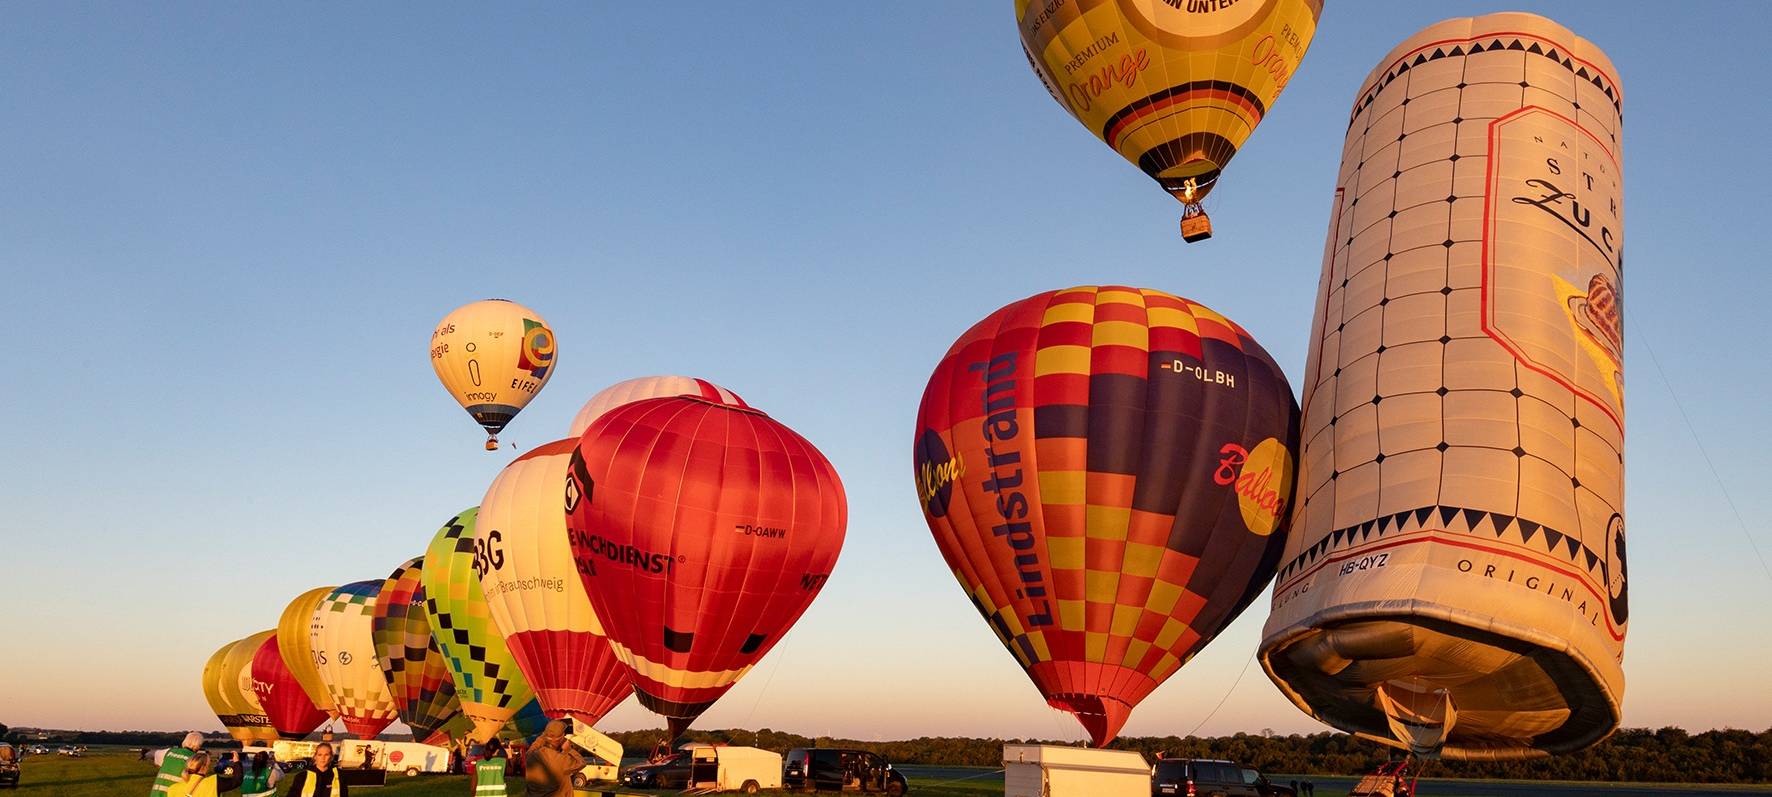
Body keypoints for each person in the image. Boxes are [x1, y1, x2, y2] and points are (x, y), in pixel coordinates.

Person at [522, 721, 583, 797]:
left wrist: (545, 736)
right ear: (561, 739)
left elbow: (534, 746)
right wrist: (569, 750)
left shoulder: (530, 755)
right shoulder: (562, 760)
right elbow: (581, 762)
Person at [283, 742, 348, 796]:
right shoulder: (302, 777)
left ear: (331, 757)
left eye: (326, 755)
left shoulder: (340, 776)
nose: (323, 758)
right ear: (315, 756)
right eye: (320, 755)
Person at [150, 732, 204, 797]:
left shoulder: (170, 751)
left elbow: (155, 755)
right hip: (173, 794)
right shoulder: (195, 759)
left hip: (156, 794)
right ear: (199, 745)